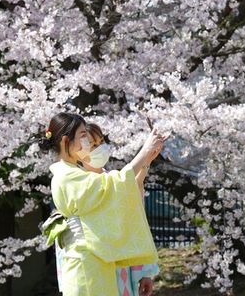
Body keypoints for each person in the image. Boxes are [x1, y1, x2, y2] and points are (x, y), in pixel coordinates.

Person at [39, 112, 165, 296]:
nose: (88, 143)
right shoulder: (66, 176)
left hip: (97, 258)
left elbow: (119, 189)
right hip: (84, 260)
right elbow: (115, 183)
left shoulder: (73, 172)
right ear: (66, 140)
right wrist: (144, 152)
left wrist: (146, 160)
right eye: (83, 135)